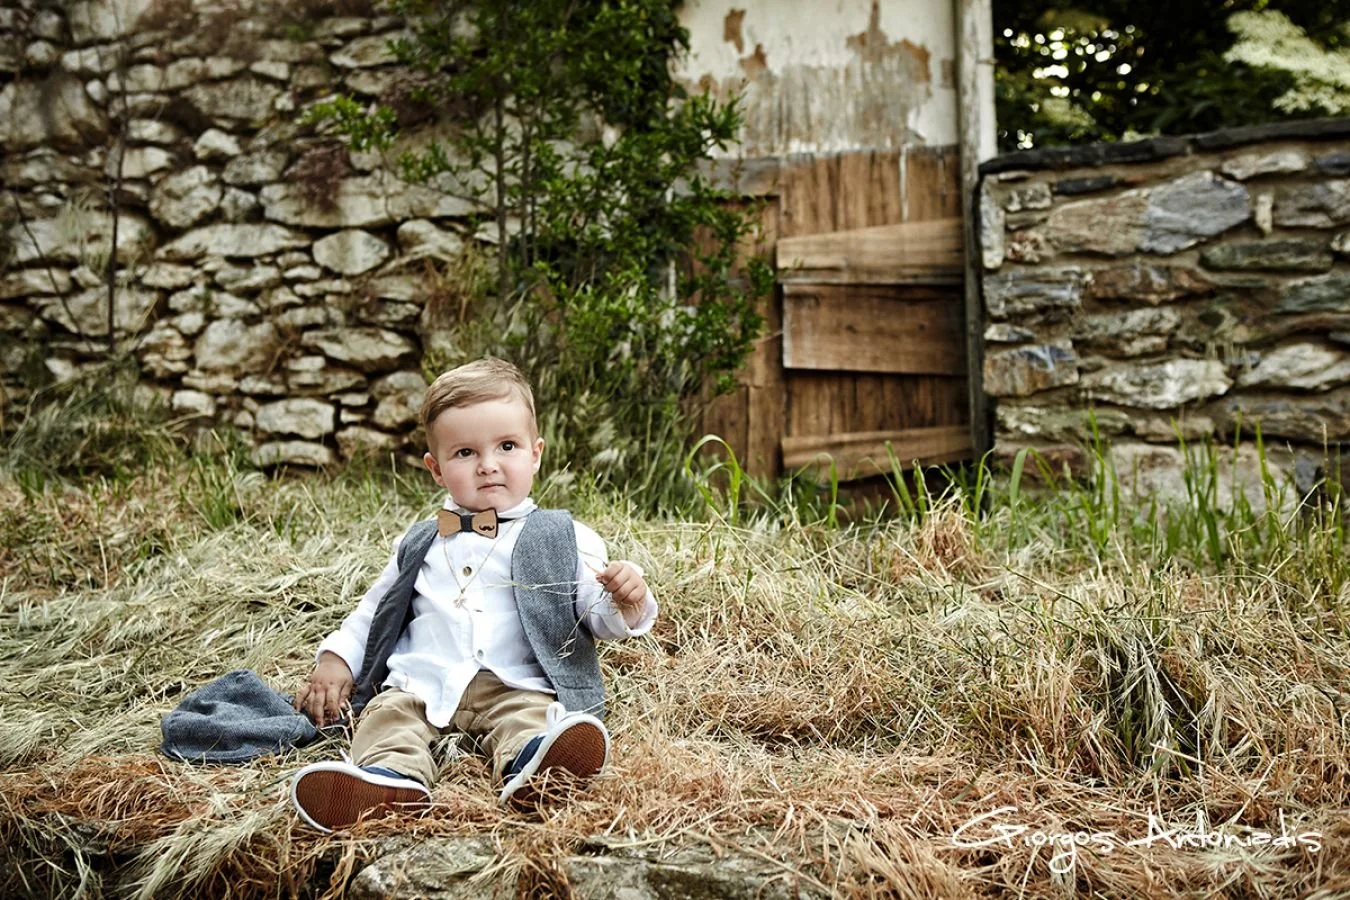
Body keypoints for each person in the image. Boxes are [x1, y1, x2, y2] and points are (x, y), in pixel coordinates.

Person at [288, 358, 657, 832]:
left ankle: (535, 768)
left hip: (515, 682)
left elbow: (591, 613)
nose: (488, 466)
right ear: (436, 469)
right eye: (464, 453)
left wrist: (624, 601)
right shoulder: (418, 540)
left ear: (536, 453)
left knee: (533, 719)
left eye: (507, 446)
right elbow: (375, 611)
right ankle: (387, 780)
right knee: (386, 718)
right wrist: (336, 659)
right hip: (422, 682)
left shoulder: (567, 536)